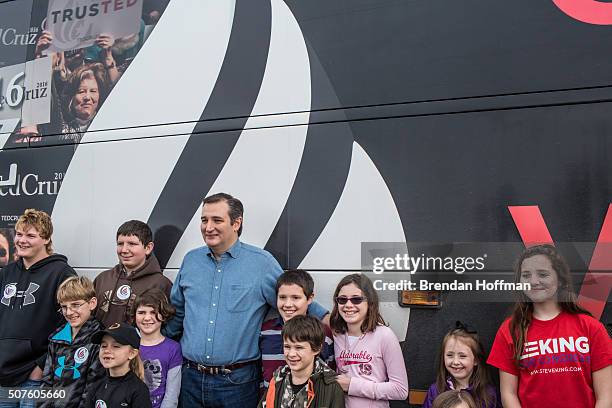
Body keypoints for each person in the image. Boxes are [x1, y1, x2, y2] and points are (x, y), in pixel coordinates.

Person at [165, 192, 328, 408]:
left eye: (217, 220)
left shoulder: (261, 264)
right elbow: (177, 313)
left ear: (236, 222)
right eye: (204, 220)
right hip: (190, 379)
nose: (208, 227)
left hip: (237, 383)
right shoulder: (191, 261)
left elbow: (296, 301)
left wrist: (338, 322)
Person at [487, 244, 612, 408]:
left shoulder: (590, 327)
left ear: (560, 280)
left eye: (543, 274)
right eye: (526, 275)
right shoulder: (510, 330)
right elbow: (508, 394)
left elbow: (605, 396)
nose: (533, 281)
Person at [0, 209, 76, 408]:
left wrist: (42, 365)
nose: (22, 240)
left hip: (34, 378)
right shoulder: (6, 273)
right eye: (19, 234)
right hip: (3, 375)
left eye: (31, 235)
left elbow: (74, 325)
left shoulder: (62, 273)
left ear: (46, 239)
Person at [331, 274, 408, 408]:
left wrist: (352, 385)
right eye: (342, 300)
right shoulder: (337, 335)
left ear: (370, 302)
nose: (348, 305)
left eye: (356, 299)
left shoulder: (385, 336)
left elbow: (400, 390)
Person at [260, 269, 335, 389]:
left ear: (310, 299)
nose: (288, 304)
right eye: (282, 297)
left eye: (295, 298)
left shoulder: (323, 333)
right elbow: (260, 371)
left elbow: (330, 373)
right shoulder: (265, 331)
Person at [40, 276, 104, 408]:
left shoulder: (99, 339)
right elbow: (47, 381)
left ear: (92, 303)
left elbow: (92, 387)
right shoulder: (57, 338)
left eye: (75, 305)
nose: (69, 312)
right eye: (64, 307)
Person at [94, 220, 172, 328]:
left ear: (148, 248)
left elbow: (169, 326)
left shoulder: (161, 284)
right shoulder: (102, 279)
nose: (124, 250)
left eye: (132, 244)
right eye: (120, 244)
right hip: (105, 345)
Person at [258, 315, 344, 408]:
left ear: (317, 348)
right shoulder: (277, 379)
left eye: (299, 348)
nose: (291, 354)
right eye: (287, 347)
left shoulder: (331, 386)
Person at [422, 321, 499, 408]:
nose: (455, 362)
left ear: (476, 360)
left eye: (462, 356)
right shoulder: (435, 390)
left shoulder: (488, 394)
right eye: (450, 355)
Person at [132, 289, 182, 408]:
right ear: (134, 315)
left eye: (153, 312)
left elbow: (172, 395)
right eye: (141, 312)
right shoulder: (128, 345)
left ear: (164, 315)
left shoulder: (173, 348)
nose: (147, 318)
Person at [86, 323, 152, 408]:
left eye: (116, 346)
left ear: (132, 353)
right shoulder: (96, 386)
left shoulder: (138, 390)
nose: (107, 350)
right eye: (104, 346)